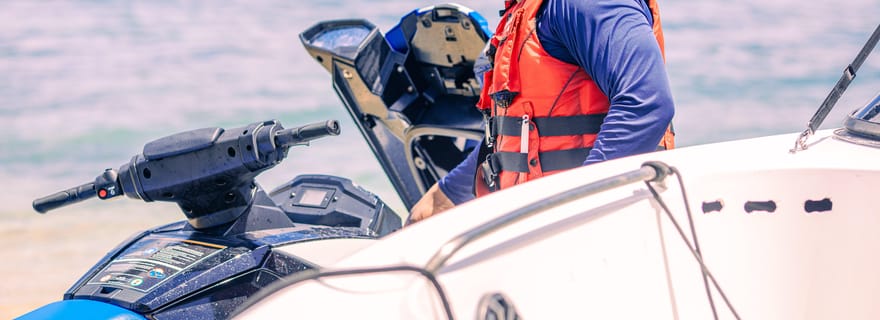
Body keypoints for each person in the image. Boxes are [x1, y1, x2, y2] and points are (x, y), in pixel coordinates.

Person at [409, 0, 675, 223]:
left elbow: (647, 103)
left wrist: (576, 211)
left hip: (597, 230)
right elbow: (519, 134)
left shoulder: (587, 4)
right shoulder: (531, 11)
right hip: (543, 221)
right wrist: (446, 195)